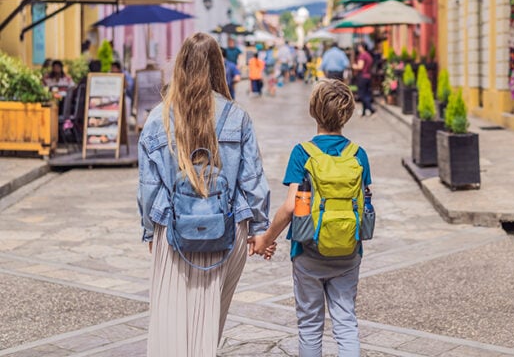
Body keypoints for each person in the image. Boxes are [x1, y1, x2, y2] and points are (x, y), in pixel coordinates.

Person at [138, 32, 272, 357]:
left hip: (173, 229)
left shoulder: (157, 119)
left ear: (180, 66)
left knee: (171, 319)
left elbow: (149, 187)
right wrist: (259, 230)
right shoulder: (236, 116)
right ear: (218, 67)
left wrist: (149, 230)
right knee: (210, 318)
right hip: (227, 229)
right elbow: (252, 179)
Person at [251, 79, 372, 356]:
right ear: (348, 114)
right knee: (345, 321)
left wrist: (265, 239)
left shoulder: (302, 153)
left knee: (309, 324)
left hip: (308, 252)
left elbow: (292, 207)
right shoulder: (358, 154)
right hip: (349, 250)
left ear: (313, 111)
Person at [352, 43, 375, 117]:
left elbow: (360, 66)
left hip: (362, 76)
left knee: (361, 94)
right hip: (368, 76)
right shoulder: (368, 55)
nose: (358, 48)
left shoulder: (362, 55)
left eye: (359, 46)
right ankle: (364, 111)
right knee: (367, 93)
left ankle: (370, 109)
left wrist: (354, 66)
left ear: (362, 47)